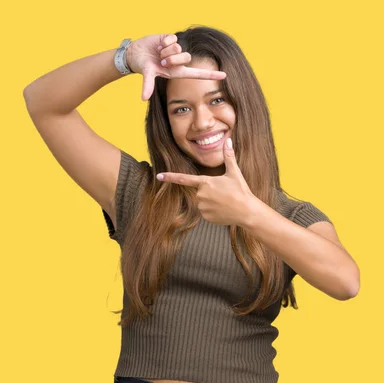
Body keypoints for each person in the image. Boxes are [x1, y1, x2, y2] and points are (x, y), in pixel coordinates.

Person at [23, 26, 360, 383]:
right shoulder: (139, 192)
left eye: (217, 100)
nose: (202, 122)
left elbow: (346, 282)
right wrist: (125, 59)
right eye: (181, 108)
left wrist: (250, 213)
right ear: (166, 122)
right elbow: (43, 104)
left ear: (243, 102)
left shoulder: (290, 215)